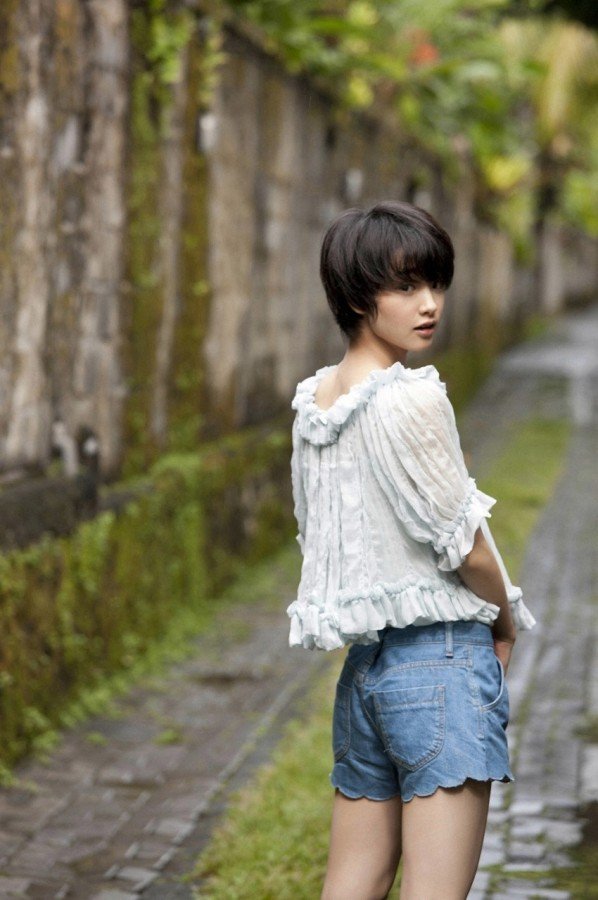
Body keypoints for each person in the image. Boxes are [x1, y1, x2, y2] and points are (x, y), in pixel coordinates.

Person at [287, 200, 536, 900]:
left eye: (435, 283)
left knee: (352, 882)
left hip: (366, 672)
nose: (430, 304)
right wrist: (505, 620)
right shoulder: (410, 398)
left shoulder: (316, 404)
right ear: (356, 294)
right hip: (444, 666)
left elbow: (320, 537)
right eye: (405, 286)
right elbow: (467, 547)